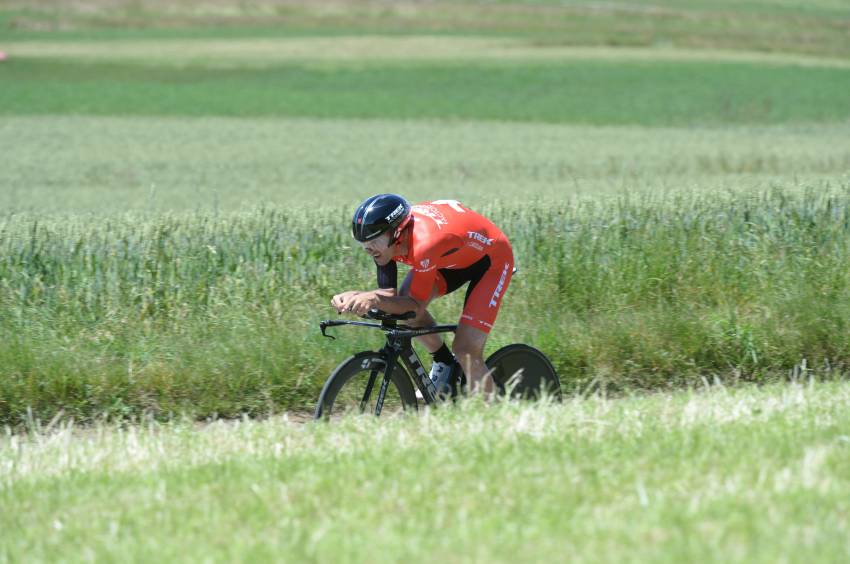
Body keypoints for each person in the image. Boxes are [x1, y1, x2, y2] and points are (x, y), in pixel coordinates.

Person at [331, 194, 514, 397]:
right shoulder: (384, 243)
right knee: (401, 309)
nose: (368, 249)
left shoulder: (424, 242)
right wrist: (356, 295)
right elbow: (387, 294)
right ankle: (444, 362)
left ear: (397, 233)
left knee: (466, 350)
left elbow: (414, 307)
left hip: (491, 260)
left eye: (374, 242)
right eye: (364, 244)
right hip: (450, 256)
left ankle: (494, 415)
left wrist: (373, 299)